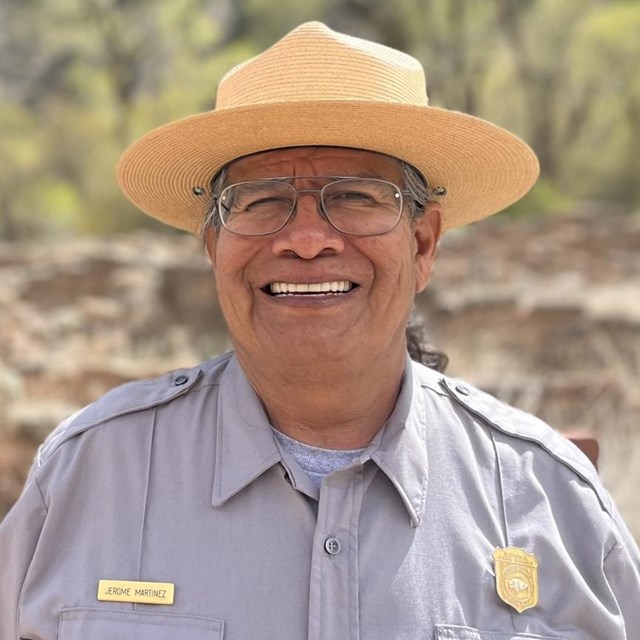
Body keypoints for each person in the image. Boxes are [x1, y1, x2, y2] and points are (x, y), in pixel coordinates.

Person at [0, 21, 638, 640]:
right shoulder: (89, 476)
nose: (306, 240)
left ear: (422, 244)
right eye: (262, 200)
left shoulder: (549, 498)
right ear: (214, 246)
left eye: (358, 196)